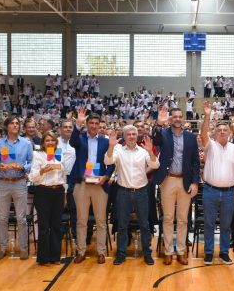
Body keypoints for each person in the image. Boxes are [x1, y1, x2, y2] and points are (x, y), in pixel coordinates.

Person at [104, 125, 159, 265]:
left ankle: (147, 253)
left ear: (137, 135)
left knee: (145, 225)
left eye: (134, 134)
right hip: (123, 192)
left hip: (141, 192)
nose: (131, 136)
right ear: (124, 136)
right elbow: (108, 161)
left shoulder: (143, 151)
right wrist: (110, 146)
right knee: (122, 225)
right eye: (128, 134)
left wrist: (151, 152)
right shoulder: (118, 149)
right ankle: (121, 253)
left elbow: (155, 165)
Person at [152, 105, 200, 265]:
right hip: (167, 180)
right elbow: (155, 139)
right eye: (174, 117)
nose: (178, 119)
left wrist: (194, 182)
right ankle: (167, 251)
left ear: (183, 119)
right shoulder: (163, 133)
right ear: (170, 119)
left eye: (180, 116)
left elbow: (195, 162)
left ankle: (180, 251)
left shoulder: (191, 137)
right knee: (167, 218)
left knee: (183, 220)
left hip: (185, 181)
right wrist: (158, 123)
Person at [199, 100, 234, 265]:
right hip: (210, 191)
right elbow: (203, 133)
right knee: (209, 224)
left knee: (226, 225)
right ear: (215, 133)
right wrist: (207, 115)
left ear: (230, 133)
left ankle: (224, 252)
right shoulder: (209, 145)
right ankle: (209, 253)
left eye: (225, 130)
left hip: (229, 192)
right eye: (219, 130)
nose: (223, 132)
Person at [69, 108, 113, 264]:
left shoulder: (106, 141)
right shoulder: (79, 138)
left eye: (96, 123)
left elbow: (111, 162)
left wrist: (106, 176)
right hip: (82, 183)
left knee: (101, 220)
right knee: (81, 220)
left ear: (100, 124)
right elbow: (72, 142)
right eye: (91, 123)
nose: (94, 126)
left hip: (100, 184)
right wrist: (77, 124)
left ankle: (101, 251)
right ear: (87, 124)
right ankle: (81, 251)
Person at [0, 115, 34, 260]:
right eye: (12, 123)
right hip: (2, 182)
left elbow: (31, 164)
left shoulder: (26, 143)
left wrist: (22, 166)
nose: (15, 125)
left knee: (21, 218)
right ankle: (3, 248)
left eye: (17, 123)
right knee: (2, 218)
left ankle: (23, 248)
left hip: (19, 182)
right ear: (7, 126)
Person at [29, 132, 75, 265]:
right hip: (43, 191)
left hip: (59, 192)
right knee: (44, 226)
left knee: (56, 226)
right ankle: (43, 258)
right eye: (47, 140)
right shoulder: (38, 155)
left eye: (52, 141)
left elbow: (63, 176)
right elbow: (32, 177)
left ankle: (55, 257)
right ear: (43, 143)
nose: (50, 143)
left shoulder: (59, 155)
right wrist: (43, 171)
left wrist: (65, 194)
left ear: (56, 143)